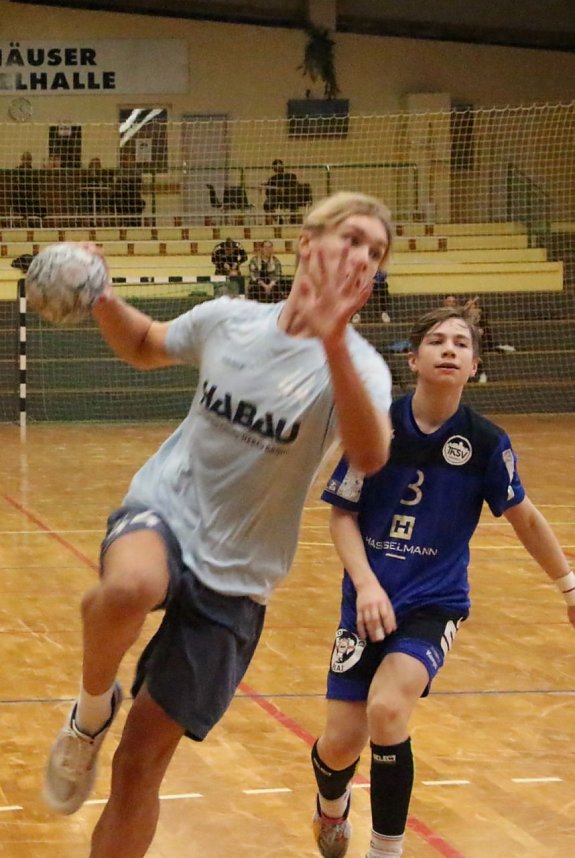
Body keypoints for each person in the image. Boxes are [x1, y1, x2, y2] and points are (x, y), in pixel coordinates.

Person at [42, 191, 395, 858]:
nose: (361, 257)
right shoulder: (230, 319)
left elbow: (370, 453)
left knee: (138, 766)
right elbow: (144, 344)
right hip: (166, 509)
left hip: (240, 577)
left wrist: (331, 342)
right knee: (129, 587)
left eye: (374, 252)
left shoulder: (362, 367)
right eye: (351, 239)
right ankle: (90, 713)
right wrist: (101, 298)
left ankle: (107, 744)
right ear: (306, 243)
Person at [310, 305, 575, 858]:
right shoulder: (374, 425)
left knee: (388, 710)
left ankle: (386, 849)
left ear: (475, 365)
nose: (449, 348)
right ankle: (331, 804)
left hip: (435, 603)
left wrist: (568, 585)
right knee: (340, 745)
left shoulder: (486, 442)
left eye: (461, 343)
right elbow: (341, 516)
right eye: (436, 340)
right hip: (367, 599)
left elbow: (525, 518)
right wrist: (367, 584)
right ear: (413, 359)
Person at [11, 151, 46, 225]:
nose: (26, 161)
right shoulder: (17, 171)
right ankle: (27, 221)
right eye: (25, 159)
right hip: (20, 199)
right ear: (22, 160)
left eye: (28, 159)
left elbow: (36, 187)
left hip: (31, 199)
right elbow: (15, 186)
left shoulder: (33, 172)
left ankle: (31, 222)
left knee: (42, 208)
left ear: (31, 161)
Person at [263, 158, 300, 223]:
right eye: (275, 168)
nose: (278, 169)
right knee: (267, 204)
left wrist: (284, 190)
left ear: (282, 166)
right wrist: (268, 188)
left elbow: (294, 187)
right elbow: (268, 193)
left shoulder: (291, 176)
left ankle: (293, 219)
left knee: (293, 200)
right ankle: (278, 219)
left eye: (279, 167)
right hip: (277, 197)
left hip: (288, 196)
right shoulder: (272, 179)